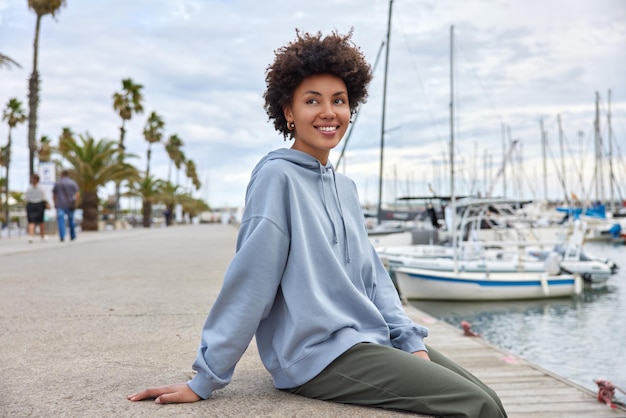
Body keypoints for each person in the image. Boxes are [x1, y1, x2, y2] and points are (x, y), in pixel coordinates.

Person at [128, 30, 507, 417]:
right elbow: (251, 281)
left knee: (491, 399)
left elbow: (373, 277)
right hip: (315, 357)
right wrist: (205, 378)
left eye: (338, 101)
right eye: (313, 101)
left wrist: (410, 340)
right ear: (288, 113)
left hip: (364, 341)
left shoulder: (346, 187)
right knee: (475, 406)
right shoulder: (277, 178)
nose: (329, 112)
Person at [52, 169, 79, 242]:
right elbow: (77, 194)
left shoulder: (58, 183)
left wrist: (55, 202)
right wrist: (76, 203)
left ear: (62, 174)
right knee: (71, 220)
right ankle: (72, 235)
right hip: (70, 204)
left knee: (61, 220)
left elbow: (54, 194)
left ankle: (62, 236)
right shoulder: (72, 183)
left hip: (60, 204)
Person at [25, 174, 47, 243]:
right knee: (40, 221)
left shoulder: (28, 189)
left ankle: (31, 236)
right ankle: (42, 235)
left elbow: (26, 198)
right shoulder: (41, 189)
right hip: (39, 205)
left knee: (31, 221)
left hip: (31, 205)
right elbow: (44, 198)